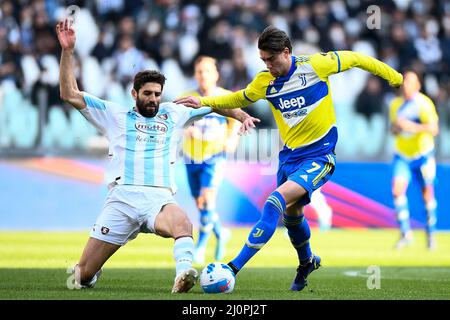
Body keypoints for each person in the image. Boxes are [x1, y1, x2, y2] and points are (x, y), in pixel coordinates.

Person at [175, 25, 403, 291]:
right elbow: (238, 97)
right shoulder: (264, 81)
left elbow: (357, 58)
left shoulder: (316, 66)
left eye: (271, 59)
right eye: (263, 60)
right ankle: (307, 261)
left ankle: (232, 267)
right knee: (292, 218)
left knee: (274, 203)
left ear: (286, 52)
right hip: (289, 158)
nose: (267, 65)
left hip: (319, 156)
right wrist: (202, 102)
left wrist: (394, 76)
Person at [56, 18, 257, 293]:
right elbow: (69, 93)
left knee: (183, 222)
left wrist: (241, 114)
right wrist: (67, 52)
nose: (153, 99)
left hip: (159, 198)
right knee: (80, 277)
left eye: (157, 94)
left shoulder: (173, 112)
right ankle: (91, 275)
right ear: (134, 93)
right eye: (148, 94)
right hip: (122, 200)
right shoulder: (113, 114)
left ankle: (184, 272)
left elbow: (216, 105)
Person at [181, 56, 241, 264]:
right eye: (199, 71)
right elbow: (176, 123)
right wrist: (186, 131)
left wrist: (232, 140)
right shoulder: (186, 97)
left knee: (208, 199)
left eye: (207, 71)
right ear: (195, 75)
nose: (203, 75)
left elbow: (236, 120)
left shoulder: (226, 97)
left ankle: (200, 246)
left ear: (216, 74)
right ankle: (220, 233)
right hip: (191, 157)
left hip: (214, 156)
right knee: (201, 205)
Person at [389, 71, 439, 250]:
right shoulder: (395, 104)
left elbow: (434, 129)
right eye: (404, 82)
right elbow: (393, 130)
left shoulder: (424, 103)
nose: (406, 86)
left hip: (423, 155)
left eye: (410, 82)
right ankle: (405, 233)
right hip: (402, 155)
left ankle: (430, 233)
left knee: (427, 194)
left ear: (418, 85)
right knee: (397, 191)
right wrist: (397, 127)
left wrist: (412, 126)